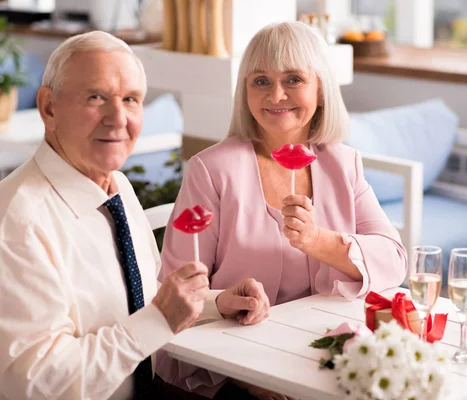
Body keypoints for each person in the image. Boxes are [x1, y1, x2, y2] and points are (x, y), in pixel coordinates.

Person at [0, 31, 269, 400]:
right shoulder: (16, 220)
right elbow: (38, 385)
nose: (118, 118)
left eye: (131, 100)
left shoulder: (116, 186)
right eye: (96, 97)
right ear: (49, 108)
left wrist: (211, 304)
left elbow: (137, 298)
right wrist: (160, 320)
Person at [156, 21, 408, 399]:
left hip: (315, 353)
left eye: (293, 79)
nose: (276, 95)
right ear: (245, 92)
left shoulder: (343, 164)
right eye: (260, 81)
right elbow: (172, 289)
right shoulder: (211, 170)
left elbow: (394, 260)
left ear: (320, 90)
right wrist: (225, 304)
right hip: (225, 365)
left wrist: (316, 240)